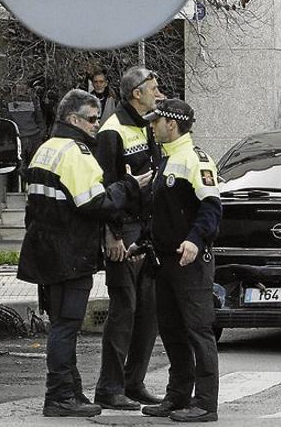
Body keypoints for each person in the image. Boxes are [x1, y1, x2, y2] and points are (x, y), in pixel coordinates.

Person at [17, 90, 152, 417]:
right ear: (73, 119)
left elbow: (34, 210)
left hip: (47, 252)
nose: (96, 125)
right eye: (91, 119)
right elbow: (95, 203)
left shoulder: (46, 149)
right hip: (70, 253)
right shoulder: (76, 153)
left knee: (62, 323)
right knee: (66, 325)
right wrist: (130, 186)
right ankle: (61, 396)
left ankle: (70, 390)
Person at [139, 99, 222, 423]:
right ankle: (177, 396)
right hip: (166, 260)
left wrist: (194, 239)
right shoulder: (167, 159)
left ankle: (204, 403)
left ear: (171, 124)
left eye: (156, 122)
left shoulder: (194, 159)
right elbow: (163, 213)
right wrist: (143, 241)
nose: (152, 126)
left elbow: (211, 207)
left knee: (198, 331)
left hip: (190, 261)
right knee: (172, 330)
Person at [93, 66, 165, 410]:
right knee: (124, 310)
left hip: (147, 228)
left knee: (148, 313)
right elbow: (105, 187)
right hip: (124, 230)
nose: (159, 92)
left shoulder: (148, 124)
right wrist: (113, 233)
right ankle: (109, 387)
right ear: (136, 92)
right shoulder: (112, 131)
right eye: (153, 88)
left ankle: (134, 381)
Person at [2, 81, 46, 180]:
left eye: (24, 84)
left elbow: (39, 118)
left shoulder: (33, 100)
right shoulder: (8, 101)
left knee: (37, 166)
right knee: (20, 167)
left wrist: (41, 135)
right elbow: (6, 120)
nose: (21, 87)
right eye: (19, 84)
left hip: (34, 137)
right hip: (18, 139)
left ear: (27, 88)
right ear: (15, 88)